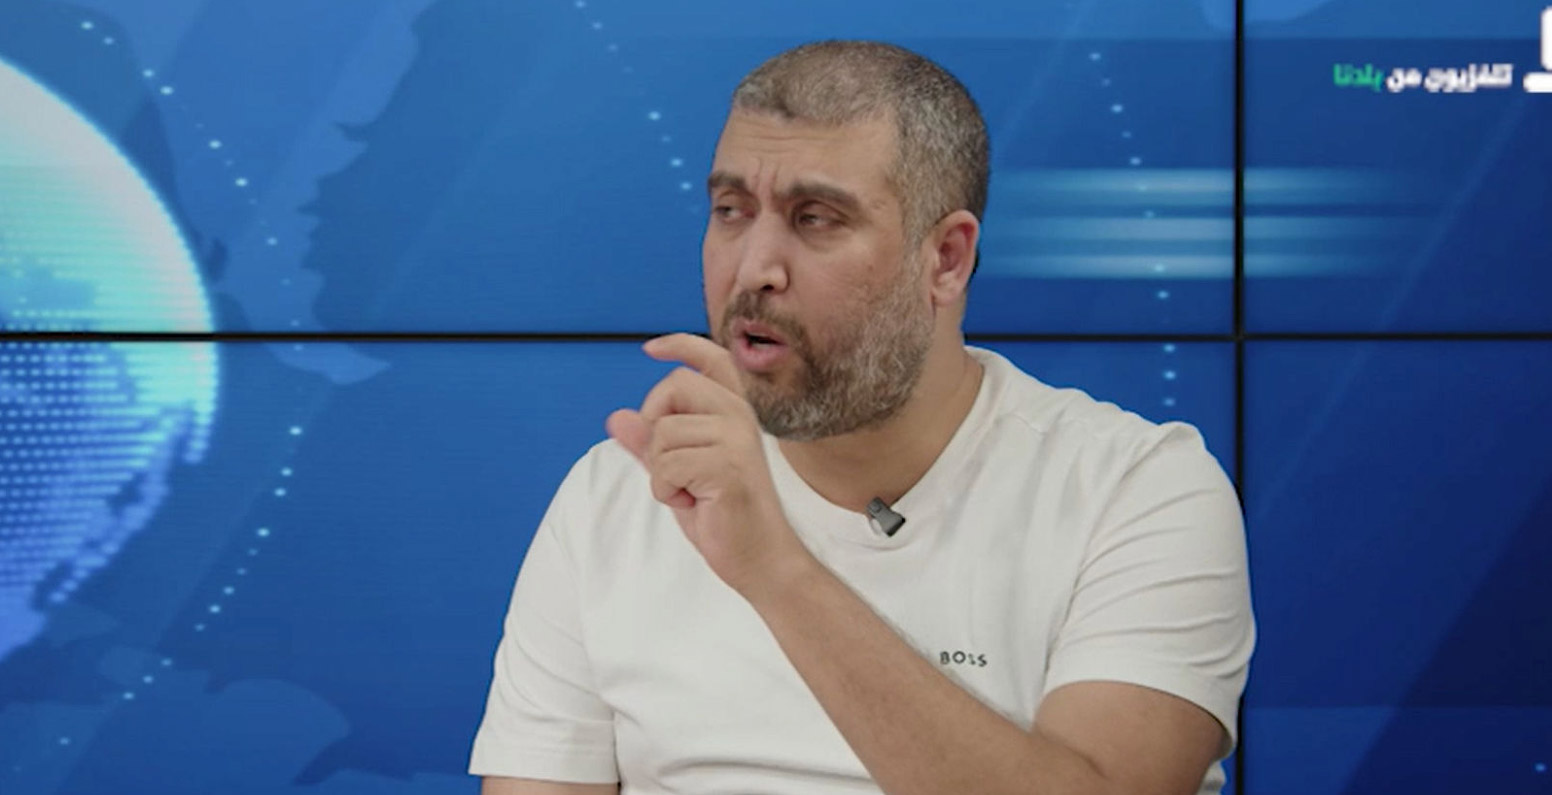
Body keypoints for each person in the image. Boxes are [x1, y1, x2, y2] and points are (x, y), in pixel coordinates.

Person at [468, 40, 1255, 795]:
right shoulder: (615, 493)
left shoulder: (1137, 490)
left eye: (815, 218)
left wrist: (774, 568)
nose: (753, 268)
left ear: (944, 259)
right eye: (731, 210)